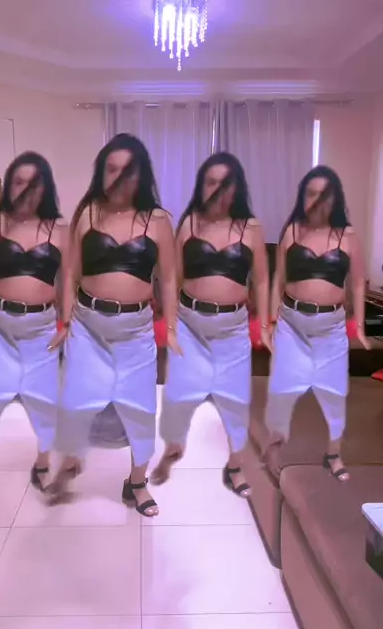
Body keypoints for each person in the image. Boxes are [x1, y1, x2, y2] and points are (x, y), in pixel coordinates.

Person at [47, 133, 178, 516]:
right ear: (101, 173)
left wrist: (171, 327)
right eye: (112, 169)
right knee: (78, 399)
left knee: (139, 407)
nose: (119, 177)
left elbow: (169, 278)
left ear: (142, 175)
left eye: (128, 170)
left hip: (135, 330)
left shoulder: (158, 220)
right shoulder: (88, 213)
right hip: (88, 325)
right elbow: (70, 273)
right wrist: (65, 321)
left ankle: (136, 483)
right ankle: (71, 462)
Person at [151, 152, 270, 497]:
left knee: (236, 399)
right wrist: (170, 323)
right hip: (190, 323)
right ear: (202, 187)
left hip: (233, 327)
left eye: (225, 183)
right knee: (179, 394)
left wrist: (264, 324)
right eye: (211, 182)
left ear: (237, 187)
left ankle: (235, 466)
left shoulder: (251, 228)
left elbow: (262, 280)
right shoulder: (190, 224)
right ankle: (173, 449)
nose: (217, 189)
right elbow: (172, 277)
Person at [0, 152, 68, 489]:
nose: (26, 189)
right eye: (20, 181)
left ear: (45, 187)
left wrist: (66, 323)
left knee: (44, 397)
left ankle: (43, 459)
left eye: (34, 182)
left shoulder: (59, 230)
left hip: (41, 327)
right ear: (10, 186)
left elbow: (67, 281)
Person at [264, 165, 368, 481]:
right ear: (303, 197)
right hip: (292, 323)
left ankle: (333, 454)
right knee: (282, 390)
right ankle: (273, 449)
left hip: (331, 326)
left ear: (335, 198)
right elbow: (279, 279)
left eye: (325, 194)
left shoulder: (348, 236)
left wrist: (360, 326)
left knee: (334, 393)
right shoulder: (293, 232)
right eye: (312, 193)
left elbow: (358, 282)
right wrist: (271, 321)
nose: (318, 200)